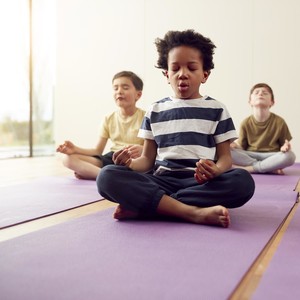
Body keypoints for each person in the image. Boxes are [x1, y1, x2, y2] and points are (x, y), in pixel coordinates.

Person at [97, 29, 255, 228]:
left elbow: (225, 158)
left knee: (242, 182)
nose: (183, 74)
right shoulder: (154, 110)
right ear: (166, 74)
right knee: (107, 176)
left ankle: (155, 207)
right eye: (175, 69)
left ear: (205, 74)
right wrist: (129, 164)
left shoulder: (217, 109)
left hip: (200, 184)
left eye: (191, 68)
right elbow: (146, 161)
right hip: (162, 180)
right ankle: (192, 213)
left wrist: (216, 170)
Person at [56, 71, 145, 180]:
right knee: (67, 159)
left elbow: (152, 152)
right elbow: (97, 151)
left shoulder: (146, 117)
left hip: (134, 160)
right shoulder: (109, 118)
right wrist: (75, 149)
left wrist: (142, 149)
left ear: (138, 94)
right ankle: (107, 176)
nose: (119, 91)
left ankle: (101, 175)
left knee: (142, 168)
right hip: (112, 158)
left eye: (125, 88)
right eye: (115, 88)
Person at [230, 83, 296, 174]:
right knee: (227, 151)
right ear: (250, 101)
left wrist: (285, 147)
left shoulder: (280, 122)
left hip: (272, 156)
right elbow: (242, 147)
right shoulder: (245, 123)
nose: (260, 94)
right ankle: (268, 168)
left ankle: (250, 169)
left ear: (272, 102)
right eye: (256, 92)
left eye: (265, 93)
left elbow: (284, 146)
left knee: (290, 156)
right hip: (250, 155)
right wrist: (233, 145)